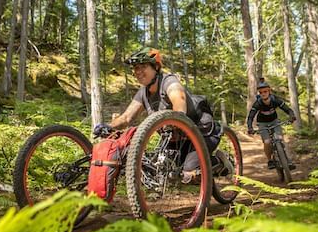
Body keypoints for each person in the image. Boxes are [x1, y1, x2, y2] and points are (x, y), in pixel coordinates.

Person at [93, 47, 225, 183]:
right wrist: (108, 126)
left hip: (201, 131)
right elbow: (126, 117)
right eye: (135, 68)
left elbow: (179, 100)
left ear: (156, 67)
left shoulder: (169, 82)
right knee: (164, 170)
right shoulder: (143, 93)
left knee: (188, 174)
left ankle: (220, 162)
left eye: (143, 66)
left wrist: (176, 118)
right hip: (177, 139)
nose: (138, 72)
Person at [246, 80, 296, 169]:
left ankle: (288, 160)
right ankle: (270, 160)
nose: (263, 94)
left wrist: (292, 116)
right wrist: (250, 127)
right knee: (267, 142)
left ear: (269, 91)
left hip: (274, 121)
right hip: (262, 123)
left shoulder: (275, 100)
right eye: (261, 92)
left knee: (280, 139)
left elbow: (288, 109)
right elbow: (250, 117)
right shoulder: (258, 104)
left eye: (265, 91)